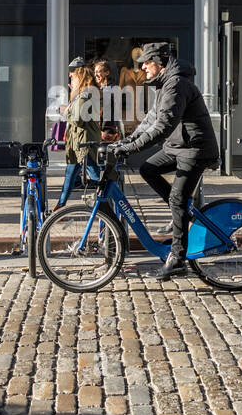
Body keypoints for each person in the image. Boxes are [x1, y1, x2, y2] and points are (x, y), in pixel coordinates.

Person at [110, 42, 219, 281]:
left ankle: (178, 258)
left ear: (159, 63)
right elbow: (151, 119)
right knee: (148, 169)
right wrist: (127, 141)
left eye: (146, 63)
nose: (142, 69)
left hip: (194, 149)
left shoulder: (176, 85)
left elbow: (163, 126)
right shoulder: (164, 85)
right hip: (177, 146)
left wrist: (132, 148)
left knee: (177, 198)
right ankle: (179, 211)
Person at [55, 57, 102, 211]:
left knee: (96, 176)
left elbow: (78, 119)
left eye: (72, 73)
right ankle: (60, 206)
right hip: (78, 142)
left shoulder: (87, 93)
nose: (70, 75)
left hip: (85, 143)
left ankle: (108, 204)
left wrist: (65, 111)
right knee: (70, 175)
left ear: (80, 74)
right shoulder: (83, 93)